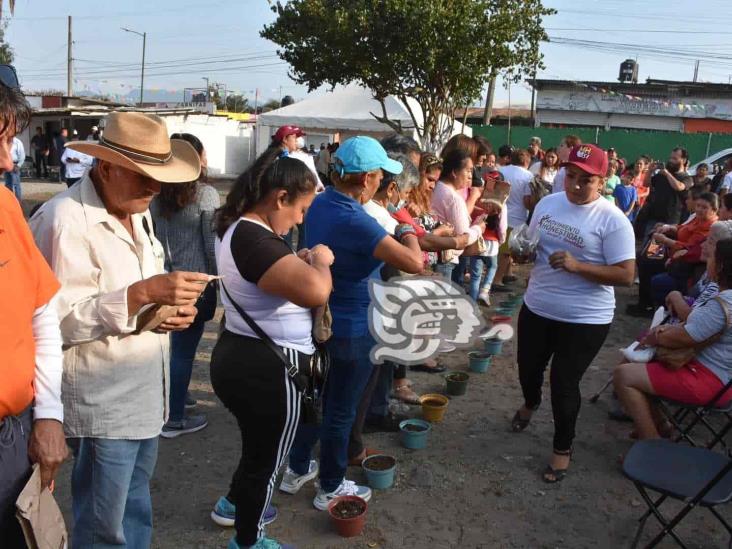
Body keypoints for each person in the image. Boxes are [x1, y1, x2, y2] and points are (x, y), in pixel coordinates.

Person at [30, 111, 208, 548]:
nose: (154, 187)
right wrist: (142, 293)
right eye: (142, 175)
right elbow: (51, 323)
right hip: (101, 404)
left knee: (133, 515)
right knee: (103, 527)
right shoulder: (65, 220)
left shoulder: (138, 211)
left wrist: (164, 311)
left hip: (142, 395)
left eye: (158, 176)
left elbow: (130, 307)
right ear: (105, 167)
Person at [284, 136, 423, 511]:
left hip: (322, 318)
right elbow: (415, 263)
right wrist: (405, 226)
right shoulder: (356, 219)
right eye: (381, 176)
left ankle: (297, 467)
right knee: (342, 409)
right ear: (366, 179)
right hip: (353, 326)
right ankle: (330, 485)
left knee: (318, 400)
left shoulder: (321, 201)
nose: (384, 184)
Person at [209, 150, 330, 549]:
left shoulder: (243, 230)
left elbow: (266, 277)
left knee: (258, 448)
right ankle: (249, 540)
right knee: (267, 462)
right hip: (271, 370)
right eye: (300, 209)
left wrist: (296, 259)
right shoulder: (252, 236)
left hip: (246, 355)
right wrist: (321, 261)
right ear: (279, 198)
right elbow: (317, 289)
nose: (300, 219)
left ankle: (233, 505)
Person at [511, 143, 635, 483]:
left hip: (585, 318)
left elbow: (626, 274)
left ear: (603, 179)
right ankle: (530, 402)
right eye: (571, 176)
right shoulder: (549, 204)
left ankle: (562, 449)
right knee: (528, 369)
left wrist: (578, 266)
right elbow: (534, 243)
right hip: (538, 305)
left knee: (564, 383)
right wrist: (523, 253)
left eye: (586, 180)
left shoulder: (613, 220)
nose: (576, 186)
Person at [0, 64, 68, 549]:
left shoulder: (5, 209)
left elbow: (41, 315)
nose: (8, 162)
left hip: (9, 437)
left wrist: (47, 415)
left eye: (10, 141)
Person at [614, 238, 732, 440]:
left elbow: (683, 338)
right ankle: (660, 426)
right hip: (715, 374)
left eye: (712, 257)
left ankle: (651, 444)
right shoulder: (723, 298)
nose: (707, 261)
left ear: (721, 266)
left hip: (711, 379)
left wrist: (658, 335)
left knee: (624, 375)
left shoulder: (723, 303)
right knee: (642, 363)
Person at [150, 133, 220, 438]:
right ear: (197, 157)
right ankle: (173, 418)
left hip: (161, 279)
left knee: (170, 348)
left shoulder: (155, 192)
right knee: (182, 352)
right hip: (195, 283)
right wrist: (219, 280)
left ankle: (177, 396)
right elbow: (210, 242)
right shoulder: (205, 195)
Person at [630, 192, 718, 315]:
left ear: (714, 210)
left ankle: (646, 305)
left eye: (704, 207)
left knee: (647, 262)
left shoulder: (710, 227)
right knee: (643, 255)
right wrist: (668, 228)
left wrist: (665, 240)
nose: (699, 209)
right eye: (698, 206)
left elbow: (690, 248)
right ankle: (644, 300)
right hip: (672, 251)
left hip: (680, 260)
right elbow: (681, 228)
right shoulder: (696, 219)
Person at [430, 148, 484, 280]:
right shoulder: (453, 197)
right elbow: (462, 239)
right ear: (454, 172)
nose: (471, 176)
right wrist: (478, 228)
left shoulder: (438, 187)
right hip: (444, 260)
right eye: (468, 170)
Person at [494, 149, 534, 291]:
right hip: (516, 215)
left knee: (505, 247)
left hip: (498, 212)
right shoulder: (528, 176)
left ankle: (508, 272)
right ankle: (497, 280)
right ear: (526, 162)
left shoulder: (501, 170)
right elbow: (526, 200)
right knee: (507, 250)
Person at [635, 148, 693, 240]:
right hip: (654, 218)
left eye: (675, 158)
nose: (670, 161)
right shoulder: (662, 175)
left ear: (683, 160)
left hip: (671, 220)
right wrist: (650, 171)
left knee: (662, 249)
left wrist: (667, 174)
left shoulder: (686, 178)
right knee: (646, 246)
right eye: (670, 158)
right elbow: (646, 184)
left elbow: (679, 187)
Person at [469, 198, 507, 305]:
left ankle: (472, 303)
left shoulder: (480, 209)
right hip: (492, 245)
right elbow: (502, 229)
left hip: (478, 244)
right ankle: (485, 290)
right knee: (492, 267)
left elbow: (473, 225)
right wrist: (501, 241)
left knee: (475, 276)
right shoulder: (501, 208)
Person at [4, 135, 24, 200]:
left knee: (16, 185)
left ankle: (18, 202)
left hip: (14, 165)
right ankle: (9, 201)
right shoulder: (4, 142)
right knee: (7, 184)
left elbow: (22, 155)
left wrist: (18, 165)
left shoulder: (18, 142)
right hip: (6, 164)